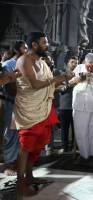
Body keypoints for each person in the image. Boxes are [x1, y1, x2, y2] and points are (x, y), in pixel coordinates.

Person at [14, 32, 73, 196]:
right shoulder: (24, 60)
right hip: (29, 109)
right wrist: (57, 79)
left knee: (37, 145)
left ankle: (30, 176)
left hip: (43, 108)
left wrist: (62, 82)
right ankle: (20, 184)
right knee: (26, 146)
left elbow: (48, 85)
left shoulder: (41, 62)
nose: (47, 45)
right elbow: (34, 84)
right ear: (34, 44)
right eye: (44, 43)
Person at [2, 40, 27, 176]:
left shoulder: (26, 64)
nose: (27, 50)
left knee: (20, 133)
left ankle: (18, 161)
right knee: (10, 133)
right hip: (11, 103)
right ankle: (9, 163)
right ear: (18, 50)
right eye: (25, 47)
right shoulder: (9, 64)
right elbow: (10, 88)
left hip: (23, 104)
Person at [58, 55, 78, 152]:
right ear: (67, 64)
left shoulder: (79, 75)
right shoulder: (62, 75)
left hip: (76, 106)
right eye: (72, 62)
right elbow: (61, 90)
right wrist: (71, 84)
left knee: (76, 129)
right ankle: (64, 148)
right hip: (65, 106)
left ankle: (74, 147)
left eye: (76, 63)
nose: (74, 64)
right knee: (64, 129)